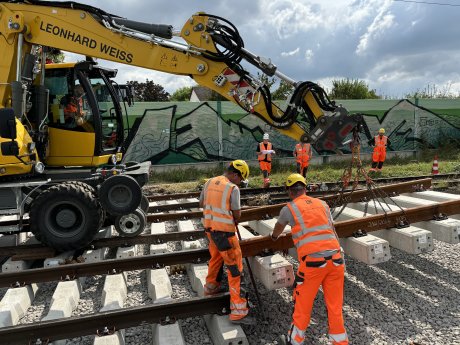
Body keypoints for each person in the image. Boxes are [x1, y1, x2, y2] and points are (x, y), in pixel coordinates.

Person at [272, 173, 348, 345]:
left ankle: (295, 340)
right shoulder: (323, 204)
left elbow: (278, 229)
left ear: (289, 191)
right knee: (335, 306)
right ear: (305, 188)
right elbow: (331, 229)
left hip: (313, 264)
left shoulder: (289, 208)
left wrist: (275, 237)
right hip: (336, 260)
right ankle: (340, 342)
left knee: (302, 304)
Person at [200, 160, 254, 324]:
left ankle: (211, 288)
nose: (240, 182)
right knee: (235, 270)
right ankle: (238, 311)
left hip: (210, 231)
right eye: (241, 179)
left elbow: (201, 203)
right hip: (225, 235)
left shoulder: (209, 182)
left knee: (215, 259)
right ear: (236, 175)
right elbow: (237, 214)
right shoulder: (232, 188)